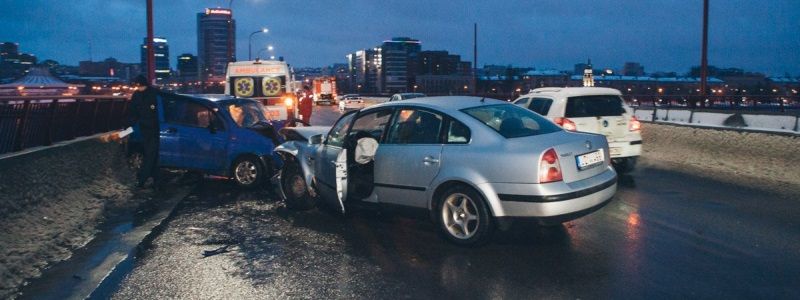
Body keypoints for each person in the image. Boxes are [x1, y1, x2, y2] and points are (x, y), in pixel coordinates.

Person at [127, 75, 161, 189]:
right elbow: (132, 112)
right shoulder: (150, 94)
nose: (139, 88)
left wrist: (127, 128)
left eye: (140, 86)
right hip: (148, 128)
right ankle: (155, 179)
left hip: (151, 128)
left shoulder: (148, 94)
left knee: (151, 154)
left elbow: (132, 113)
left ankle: (143, 179)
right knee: (152, 154)